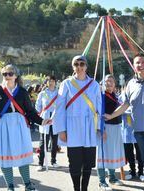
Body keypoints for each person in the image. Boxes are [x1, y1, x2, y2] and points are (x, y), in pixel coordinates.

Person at [0, 64, 51, 191]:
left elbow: (30, 111)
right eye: (4, 74)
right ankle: (10, 187)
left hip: (19, 127)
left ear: (16, 76)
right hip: (2, 126)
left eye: (10, 73)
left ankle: (27, 185)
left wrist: (42, 121)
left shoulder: (22, 92)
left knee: (22, 155)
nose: (7, 76)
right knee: (4, 155)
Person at [105, 53, 144, 191]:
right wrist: (111, 116)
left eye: (143, 62)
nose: (140, 65)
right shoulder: (131, 84)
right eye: (137, 63)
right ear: (134, 66)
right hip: (139, 131)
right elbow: (125, 105)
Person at [53, 55, 102, 191]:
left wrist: (100, 128)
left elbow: (99, 108)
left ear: (86, 66)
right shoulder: (66, 84)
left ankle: (84, 189)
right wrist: (61, 130)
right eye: (76, 64)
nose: (79, 67)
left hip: (90, 128)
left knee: (88, 164)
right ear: (73, 67)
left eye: (82, 64)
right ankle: (76, 188)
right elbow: (60, 107)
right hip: (72, 128)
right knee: (74, 163)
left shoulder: (94, 84)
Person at [97, 74, 125, 190]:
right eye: (106, 81)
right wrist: (101, 129)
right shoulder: (101, 96)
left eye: (111, 81)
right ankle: (102, 181)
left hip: (116, 127)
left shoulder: (115, 95)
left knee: (112, 153)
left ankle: (112, 177)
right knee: (103, 155)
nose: (109, 83)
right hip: (105, 128)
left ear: (115, 84)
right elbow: (98, 114)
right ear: (102, 83)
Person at [35, 75, 59, 171]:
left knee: (54, 142)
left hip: (55, 119)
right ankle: (40, 163)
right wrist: (39, 117)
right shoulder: (42, 93)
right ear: (46, 83)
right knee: (43, 142)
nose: (51, 82)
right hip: (45, 119)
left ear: (55, 82)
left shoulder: (59, 93)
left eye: (53, 81)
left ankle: (54, 161)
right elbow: (38, 106)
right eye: (49, 81)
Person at [121, 106, 144, 181]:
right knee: (129, 152)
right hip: (126, 129)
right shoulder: (121, 97)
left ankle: (141, 172)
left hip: (138, 128)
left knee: (140, 152)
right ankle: (132, 171)